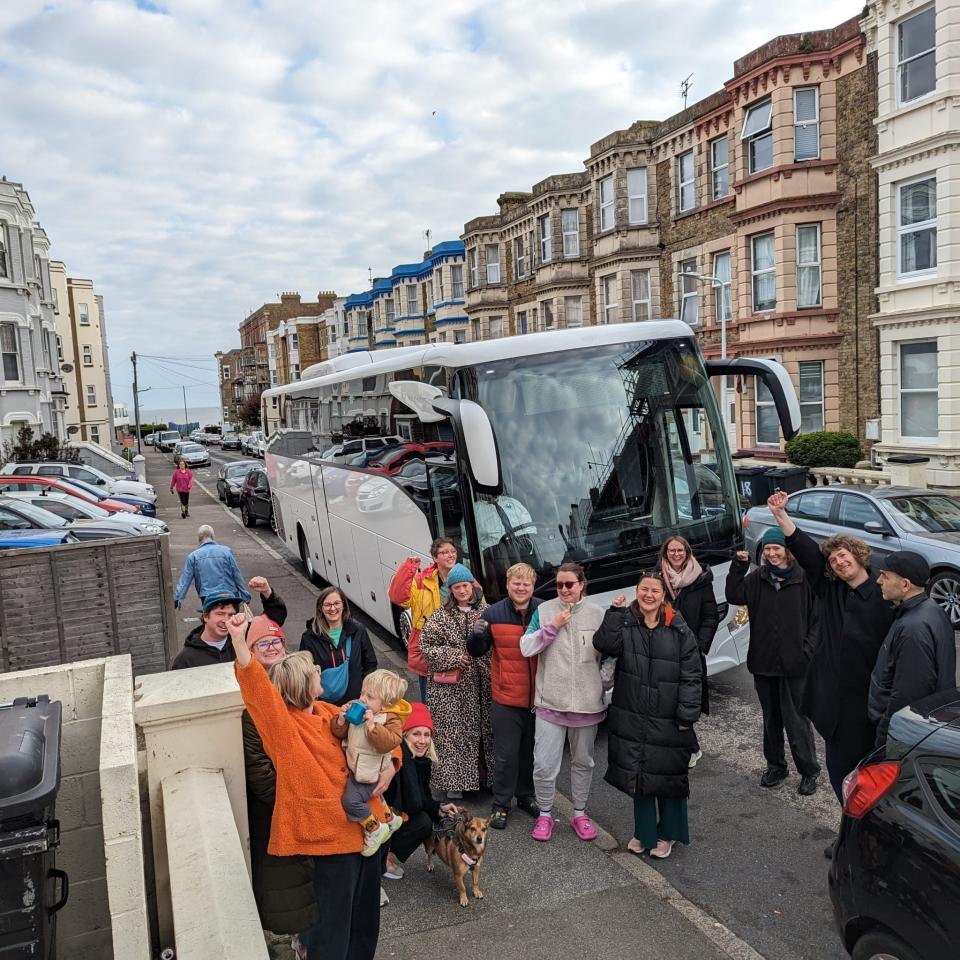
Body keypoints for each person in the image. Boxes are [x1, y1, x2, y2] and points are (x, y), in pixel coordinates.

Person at [227, 613, 398, 960]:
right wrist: (238, 641)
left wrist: (393, 764)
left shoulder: (326, 709)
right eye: (314, 671)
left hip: (368, 834)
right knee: (331, 935)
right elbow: (259, 694)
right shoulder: (285, 730)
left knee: (365, 924)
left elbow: (384, 729)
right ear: (300, 685)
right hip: (330, 845)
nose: (321, 672)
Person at [764, 491, 894, 804]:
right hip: (837, 702)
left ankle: (868, 836)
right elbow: (806, 551)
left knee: (874, 773)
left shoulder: (883, 590)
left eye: (844, 555)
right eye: (833, 560)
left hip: (872, 700)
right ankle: (849, 829)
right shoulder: (830, 587)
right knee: (838, 768)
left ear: (858, 555)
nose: (838, 562)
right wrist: (781, 515)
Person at [593, 573, 702, 859]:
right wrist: (614, 613)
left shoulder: (678, 628)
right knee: (639, 777)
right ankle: (644, 833)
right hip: (632, 713)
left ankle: (668, 833)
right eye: (644, 590)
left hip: (669, 716)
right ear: (636, 592)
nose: (649, 595)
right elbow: (605, 644)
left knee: (669, 777)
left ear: (664, 595)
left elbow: (692, 675)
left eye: (655, 590)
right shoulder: (626, 621)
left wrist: (687, 714)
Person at [239, 614, 316, 958]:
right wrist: (298, 798)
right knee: (288, 893)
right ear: (250, 651)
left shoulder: (299, 695)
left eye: (276, 642)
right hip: (280, 815)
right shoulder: (253, 708)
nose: (272, 649)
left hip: (305, 812)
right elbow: (261, 774)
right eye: (263, 643)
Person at [725, 529, 821, 795]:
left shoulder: (805, 581)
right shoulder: (757, 578)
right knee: (771, 720)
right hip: (763, 662)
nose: (771, 554)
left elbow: (817, 621)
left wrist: (807, 650)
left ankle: (809, 770)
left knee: (797, 721)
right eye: (767, 549)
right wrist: (739, 566)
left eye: (776, 548)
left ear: (787, 551)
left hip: (795, 665)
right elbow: (734, 595)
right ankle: (776, 767)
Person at [520, 561, 606, 842]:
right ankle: (545, 815)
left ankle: (579, 814)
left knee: (584, 762)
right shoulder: (544, 611)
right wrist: (552, 627)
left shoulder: (598, 614)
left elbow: (611, 653)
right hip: (550, 704)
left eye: (569, 584)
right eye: (559, 585)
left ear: (582, 584)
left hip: (587, 705)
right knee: (544, 765)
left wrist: (604, 682)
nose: (564, 589)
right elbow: (526, 647)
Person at [467, 562, 542, 829]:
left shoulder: (543, 611)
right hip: (507, 699)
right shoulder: (493, 614)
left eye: (526, 583)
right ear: (508, 585)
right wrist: (475, 637)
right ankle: (500, 805)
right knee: (506, 755)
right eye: (516, 583)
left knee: (530, 753)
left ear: (532, 587)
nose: (521, 587)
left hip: (538, 701)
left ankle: (526, 796)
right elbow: (477, 651)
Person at [418, 563, 492, 799]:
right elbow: (426, 648)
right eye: (457, 587)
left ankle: (486, 779)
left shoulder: (486, 612)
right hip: (449, 691)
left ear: (472, 586)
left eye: (465, 585)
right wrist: (453, 657)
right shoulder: (439, 617)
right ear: (450, 590)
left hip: (482, 685)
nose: (462, 591)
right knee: (451, 735)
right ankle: (453, 784)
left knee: (485, 734)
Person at [869, 551, 957, 746]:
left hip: (903, 734)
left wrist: (885, 734)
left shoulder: (913, 628)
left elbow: (909, 694)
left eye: (885, 576)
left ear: (905, 584)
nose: (879, 581)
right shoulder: (930, 609)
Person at [332, 670, 410, 856]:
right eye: (362, 693)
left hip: (370, 773)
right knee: (374, 796)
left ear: (386, 704)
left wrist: (372, 727)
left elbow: (388, 743)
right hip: (357, 767)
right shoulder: (362, 712)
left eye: (370, 696)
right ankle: (390, 819)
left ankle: (374, 829)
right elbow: (340, 733)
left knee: (351, 801)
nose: (363, 699)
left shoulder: (389, 720)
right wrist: (342, 719)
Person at [655, 536, 718, 766]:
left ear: (687, 552)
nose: (676, 554)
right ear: (665, 553)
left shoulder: (700, 579)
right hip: (663, 649)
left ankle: (691, 748)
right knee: (666, 700)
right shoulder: (656, 578)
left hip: (690, 652)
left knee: (687, 700)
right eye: (671, 550)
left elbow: (711, 616)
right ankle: (687, 746)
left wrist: (700, 645)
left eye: (680, 550)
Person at [382, 702, 460, 882]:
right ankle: (378, 860)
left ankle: (386, 856)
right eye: (416, 734)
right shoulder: (399, 757)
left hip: (395, 815)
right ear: (404, 735)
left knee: (425, 821)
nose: (422, 740)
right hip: (379, 817)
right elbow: (415, 803)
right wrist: (434, 811)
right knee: (423, 820)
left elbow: (422, 797)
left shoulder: (422, 762)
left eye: (427, 735)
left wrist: (439, 808)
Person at [388, 538, 462, 702]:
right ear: (435, 558)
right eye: (444, 552)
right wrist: (408, 568)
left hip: (457, 650)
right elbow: (398, 597)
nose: (450, 555)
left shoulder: (465, 577)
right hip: (430, 652)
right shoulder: (421, 580)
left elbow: (480, 606)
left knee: (457, 703)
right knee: (430, 702)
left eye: (453, 551)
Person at [170, 576, 286, 669]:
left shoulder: (244, 635)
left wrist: (267, 592)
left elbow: (275, 619)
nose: (226, 620)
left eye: (231, 614)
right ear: (206, 617)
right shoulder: (185, 659)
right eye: (220, 614)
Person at [300, 587, 378, 706]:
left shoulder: (358, 631)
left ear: (343, 606)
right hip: (325, 706)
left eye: (336, 603)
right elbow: (303, 673)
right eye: (327, 604)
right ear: (321, 608)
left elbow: (370, 664)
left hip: (356, 704)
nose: (332, 608)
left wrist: (363, 693)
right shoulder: (309, 638)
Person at [174, 524, 251, 609]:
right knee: (230, 619)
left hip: (208, 597)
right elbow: (236, 575)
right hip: (230, 594)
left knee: (212, 620)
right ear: (213, 536)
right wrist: (245, 595)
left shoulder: (193, 556)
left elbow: (185, 581)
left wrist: (177, 598)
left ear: (199, 538)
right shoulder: (226, 551)